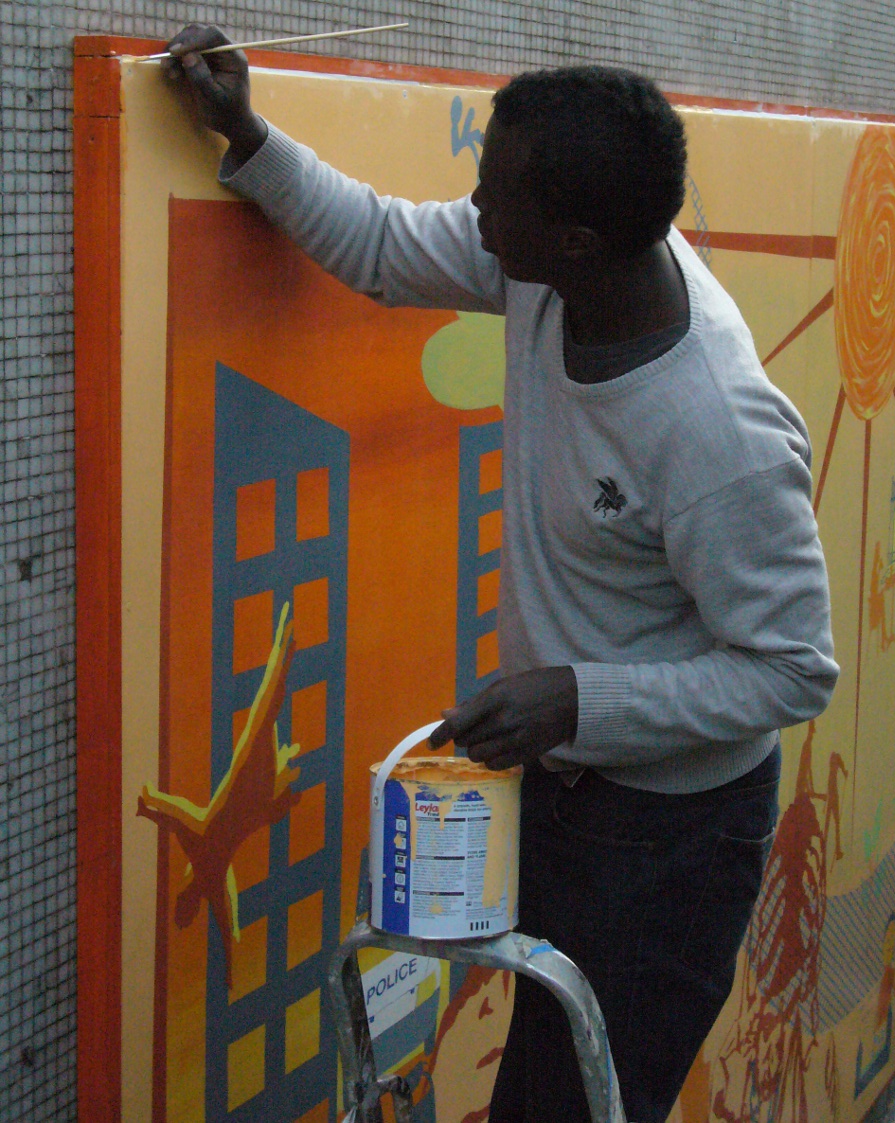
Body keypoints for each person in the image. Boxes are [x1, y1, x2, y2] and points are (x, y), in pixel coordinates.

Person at [164, 26, 840, 1122]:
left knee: (574, 1101)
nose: (472, 210)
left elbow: (790, 673)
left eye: (494, 194)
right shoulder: (548, 272)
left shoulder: (720, 434)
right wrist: (244, 133)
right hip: (560, 791)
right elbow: (381, 245)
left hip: (669, 839)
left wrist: (577, 696)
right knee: (531, 1078)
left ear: (573, 238)